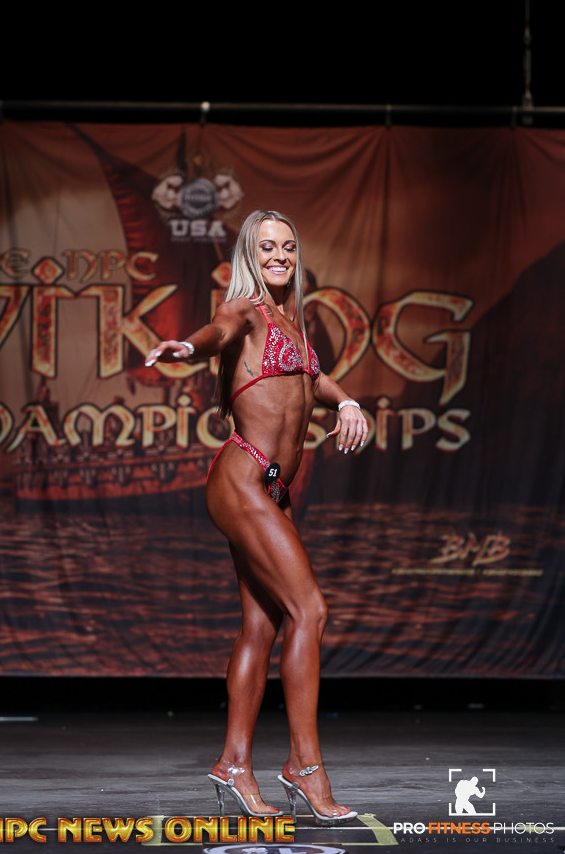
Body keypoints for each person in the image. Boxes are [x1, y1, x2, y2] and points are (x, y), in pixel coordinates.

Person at [145, 210, 368, 826]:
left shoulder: (293, 324)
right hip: (242, 478)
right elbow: (215, 333)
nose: (279, 256)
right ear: (249, 253)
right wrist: (187, 347)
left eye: (288, 246)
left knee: (261, 628)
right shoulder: (244, 310)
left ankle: (234, 764)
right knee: (310, 609)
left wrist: (348, 401)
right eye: (267, 246)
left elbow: (315, 380)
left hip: (272, 489)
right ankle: (304, 765)